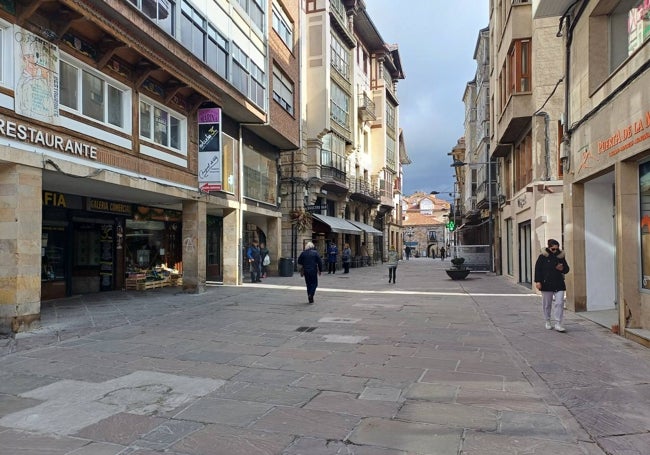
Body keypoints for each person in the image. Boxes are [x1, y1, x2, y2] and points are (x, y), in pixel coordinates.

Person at [534, 238, 570, 332]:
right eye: (553, 249)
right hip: (546, 283)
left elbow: (566, 269)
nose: (555, 251)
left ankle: (558, 323)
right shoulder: (542, 257)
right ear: (549, 248)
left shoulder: (560, 256)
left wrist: (561, 268)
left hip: (559, 283)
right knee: (547, 304)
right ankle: (547, 321)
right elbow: (538, 269)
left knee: (559, 303)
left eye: (557, 249)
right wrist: (538, 281)